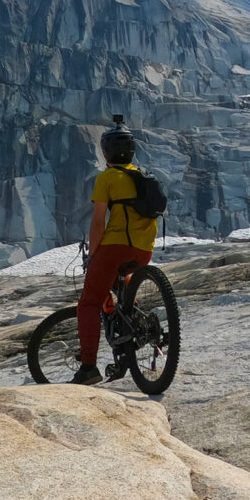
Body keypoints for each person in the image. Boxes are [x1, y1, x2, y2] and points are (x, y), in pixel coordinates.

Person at [72, 118, 158, 385]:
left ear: (106, 153)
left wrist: (93, 255)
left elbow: (98, 222)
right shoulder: (142, 175)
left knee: (89, 302)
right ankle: (128, 344)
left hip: (115, 247)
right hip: (144, 251)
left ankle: (88, 368)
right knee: (122, 291)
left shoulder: (107, 178)